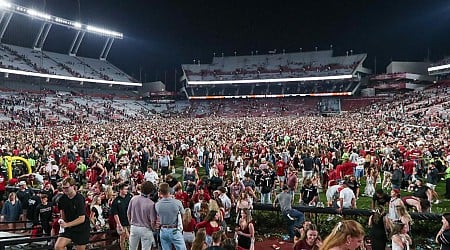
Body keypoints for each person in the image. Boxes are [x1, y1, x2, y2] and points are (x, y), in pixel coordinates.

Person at [54, 177, 90, 250]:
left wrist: (67, 224)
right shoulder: (62, 199)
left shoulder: (79, 198)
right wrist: (61, 221)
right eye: (63, 188)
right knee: (58, 246)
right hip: (69, 227)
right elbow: (63, 214)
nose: (65, 190)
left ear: (73, 187)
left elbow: (81, 219)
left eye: (67, 188)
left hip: (81, 228)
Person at [155, 182, 186, 250]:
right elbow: (184, 216)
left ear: (160, 192)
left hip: (163, 230)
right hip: (174, 229)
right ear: (169, 191)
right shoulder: (177, 203)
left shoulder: (157, 205)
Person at [127, 181, 157, 250]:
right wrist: (153, 229)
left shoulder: (133, 199)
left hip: (134, 227)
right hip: (145, 228)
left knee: (132, 248)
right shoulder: (151, 203)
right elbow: (152, 221)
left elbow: (128, 213)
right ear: (151, 191)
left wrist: (130, 223)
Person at [110, 182, 132, 250]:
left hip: (130, 222)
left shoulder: (130, 196)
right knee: (125, 238)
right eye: (125, 189)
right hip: (122, 223)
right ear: (120, 190)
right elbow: (115, 214)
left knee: (128, 238)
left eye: (127, 189)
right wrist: (119, 224)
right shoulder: (116, 201)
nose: (127, 191)